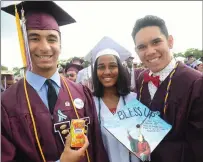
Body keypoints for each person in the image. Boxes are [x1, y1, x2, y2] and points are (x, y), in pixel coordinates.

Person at [1, 1, 109, 162]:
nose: (44, 47)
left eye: (52, 39)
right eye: (34, 38)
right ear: (23, 42)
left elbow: (97, 150)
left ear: (60, 44)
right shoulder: (6, 104)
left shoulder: (81, 92)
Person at [131, 15, 203, 162]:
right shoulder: (141, 79)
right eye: (142, 47)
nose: (150, 51)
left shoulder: (196, 82)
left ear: (170, 41)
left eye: (156, 42)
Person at [92, 48, 140, 162]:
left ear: (120, 69)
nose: (107, 71)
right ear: (95, 72)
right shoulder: (90, 103)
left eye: (112, 66)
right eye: (101, 67)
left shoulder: (135, 99)